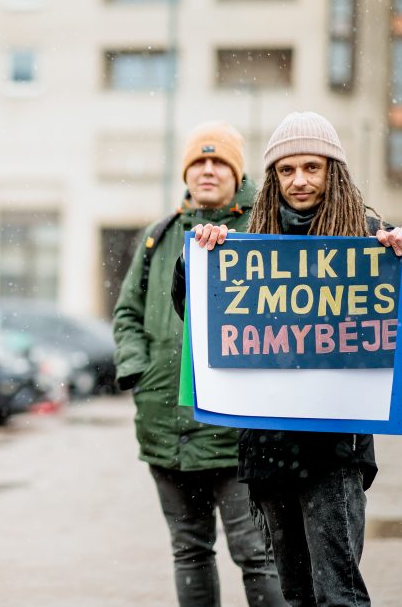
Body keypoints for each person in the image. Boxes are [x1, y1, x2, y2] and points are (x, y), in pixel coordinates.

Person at [178, 111, 402, 606]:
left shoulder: (371, 238)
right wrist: (198, 262)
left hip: (335, 453)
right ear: (272, 178)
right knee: (295, 595)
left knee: (339, 594)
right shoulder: (246, 240)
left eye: (312, 167)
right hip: (266, 451)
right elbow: (198, 322)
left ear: (334, 170)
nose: (300, 181)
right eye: (287, 171)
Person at [113, 122, 286, 607]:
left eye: (219, 162)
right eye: (198, 162)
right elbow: (127, 311)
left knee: (256, 553)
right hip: (163, 423)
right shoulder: (159, 235)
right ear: (186, 172)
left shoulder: (264, 227)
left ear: (237, 172)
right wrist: (138, 369)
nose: (207, 170)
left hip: (235, 432)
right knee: (189, 551)